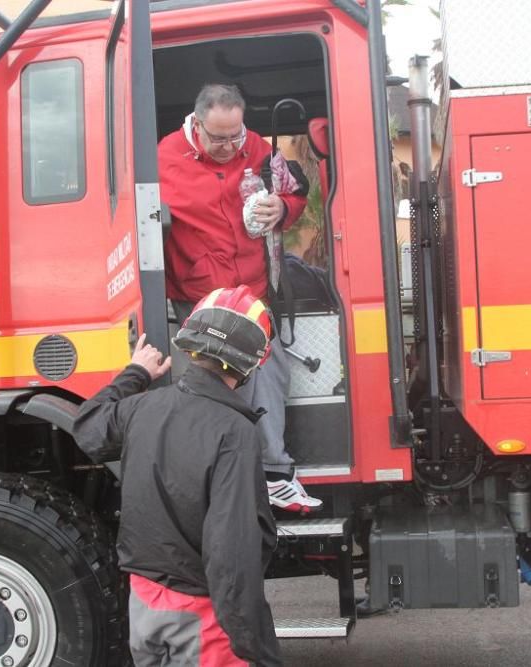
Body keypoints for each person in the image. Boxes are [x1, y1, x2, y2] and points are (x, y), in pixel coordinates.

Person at [73, 286, 283, 666]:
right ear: (255, 360)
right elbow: (230, 554)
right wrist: (258, 649)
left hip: (145, 606)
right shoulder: (235, 432)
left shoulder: (141, 407)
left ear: (190, 340)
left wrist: (136, 373)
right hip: (202, 619)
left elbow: (87, 428)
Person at [158, 83, 321, 512]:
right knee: (215, 383)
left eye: (237, 134)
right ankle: (219, 477)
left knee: (267, 369)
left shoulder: (258, 150)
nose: (231, 146)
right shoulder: (163, 157)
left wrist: (283, 209)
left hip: (252, 288)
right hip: (199, 294)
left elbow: (295, 190)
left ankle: (271, 475)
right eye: (219, 137)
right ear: (197, 124)